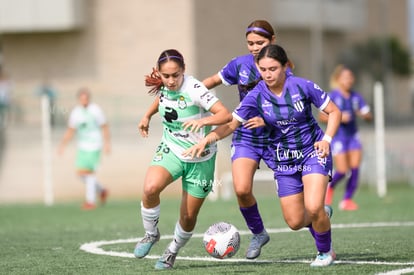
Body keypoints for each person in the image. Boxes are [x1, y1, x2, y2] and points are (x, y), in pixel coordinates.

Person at [184, 44, 341, 267]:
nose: (268, 74)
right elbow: (231, 125)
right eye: (264, 69)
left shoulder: (303, 86)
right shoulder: (256, 95)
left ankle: (325, 252)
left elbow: (334, 112)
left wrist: (326, 140)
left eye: (273, 68)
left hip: (312, 153)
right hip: (284, 160)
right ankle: (321, 214)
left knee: (313, 206)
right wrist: (208, 139)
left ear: (285, 66)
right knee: (295, 221)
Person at [134, 49, 232, 270]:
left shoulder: (194, 88)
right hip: (171, 148)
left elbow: (225, 114)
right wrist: (147, 116)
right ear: (159, 73)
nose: (170, 81)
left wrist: (203, 122)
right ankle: (151, 234)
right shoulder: (164, 85)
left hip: (201, 157)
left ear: (183, 71)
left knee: (188, 216)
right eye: (165, 76)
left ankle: (172, 251)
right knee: (150, 189)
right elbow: (160, 99)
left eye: (175, 75)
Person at [202, 19, 282, 259]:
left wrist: (267, 119)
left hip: (277, 136)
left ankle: (315, 217)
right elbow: (211, 82)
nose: (255, 47)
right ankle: (258, 233)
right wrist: (186, 94)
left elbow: (288, 105)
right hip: (246, 134)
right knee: (242, 188)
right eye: (250, 43)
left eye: (260, 42)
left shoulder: (282, 68)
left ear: (272, 41)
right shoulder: (240, 65)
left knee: (294, 201)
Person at [321, 65, 372, 211]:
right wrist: (340, 117)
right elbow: (322, 116)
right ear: (338, 80)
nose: (349, 80)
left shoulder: (356, 97)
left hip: (353, 136)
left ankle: (347, 200)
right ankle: (329, 188)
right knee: (342, 170)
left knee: (355, 168)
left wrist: (364, 115)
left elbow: (368, 115)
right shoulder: (333, 96)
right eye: (345, 77)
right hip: (338, 137)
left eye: (350, 77)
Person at [58, 88, 110, 210]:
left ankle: (90, 201)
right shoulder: (76, 112)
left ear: (89, 98)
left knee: (89, 172)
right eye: (82, 98)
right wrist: (62, 145)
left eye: (86, 98)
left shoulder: (95, 110)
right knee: (81, 173)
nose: (84, 101)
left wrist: (107, 143)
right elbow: (71, 130)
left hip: (95, 145)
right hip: (82, 146)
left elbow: (104, 126)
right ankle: (102, 190)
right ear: (79, 99)